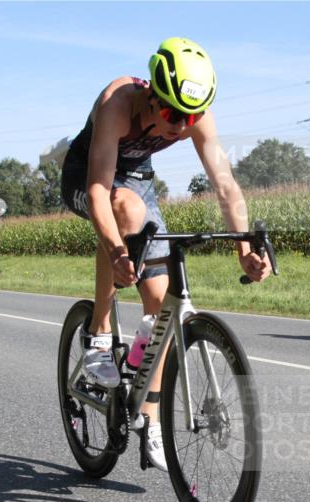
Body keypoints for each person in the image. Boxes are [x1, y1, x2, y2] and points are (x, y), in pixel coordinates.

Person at [60, 37, 271, 471]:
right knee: (125, 210)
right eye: (172, 113)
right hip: (88, 175)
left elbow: (226, 186)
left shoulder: (196, 117)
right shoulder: (117, 102)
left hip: (136, 179)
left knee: (161, 310)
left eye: (190, 116)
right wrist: (119, 252)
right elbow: (100, 191)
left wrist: (244, 249)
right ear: (152, 95)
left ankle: (149, 416)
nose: (180, 125)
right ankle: (100, 335)